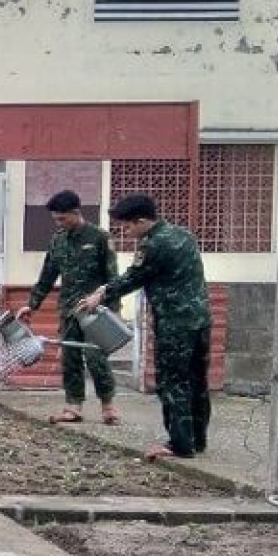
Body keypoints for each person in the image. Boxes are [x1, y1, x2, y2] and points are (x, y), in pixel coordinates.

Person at [77, 194, 210, 460]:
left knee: (172, 382)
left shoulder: (153, 244)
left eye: (128, 227)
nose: (127, 233)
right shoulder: (183, 235)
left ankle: (180, 444)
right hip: (201, 319)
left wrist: (99, 296)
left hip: (174, 323)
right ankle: (197, 439)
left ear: (141, 221)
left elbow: (133, 278)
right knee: (196, 381)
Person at [17, 190, 121, 426]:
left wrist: (114, 309)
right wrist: (31, 305)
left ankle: (108, 406)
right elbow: (47, 276)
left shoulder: (99, 238)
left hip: (96, 310)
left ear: (76, 212)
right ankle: (74, 406)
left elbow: (113, 277)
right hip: (69, 310)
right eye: (56, 219)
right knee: (70, 358)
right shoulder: (58, 241)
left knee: (96, 357)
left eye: (62, 219)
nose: (59, 223)